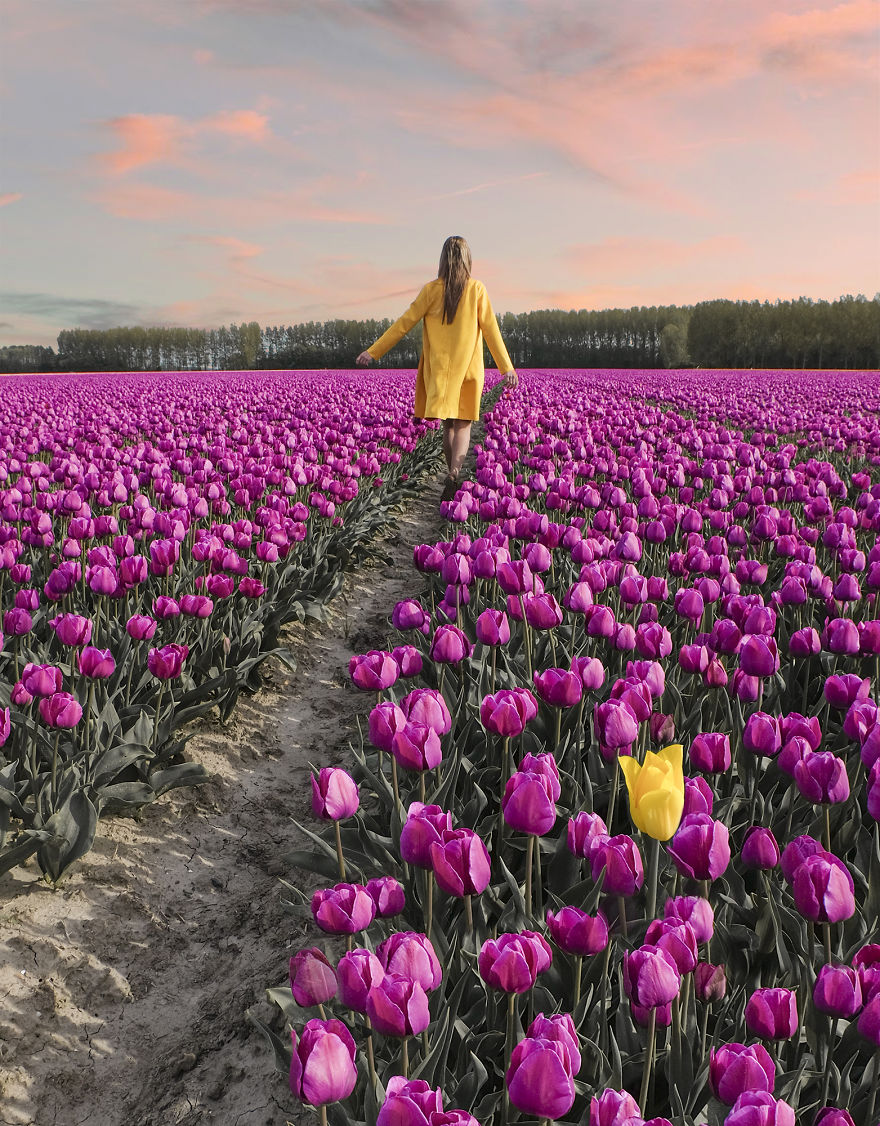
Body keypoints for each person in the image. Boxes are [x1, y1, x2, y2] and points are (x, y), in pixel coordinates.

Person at [356, 235, 518, 503]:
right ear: (468, 260)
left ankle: (449, 472)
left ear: (442, 260)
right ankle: (454, 474)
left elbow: (403, 324)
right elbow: (491, 330)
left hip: (440, 372)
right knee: (464, 426)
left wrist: (373, 351)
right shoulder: (477, 289)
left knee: (449, 427)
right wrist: (506, 368)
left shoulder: (431, 291)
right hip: (468, 371)